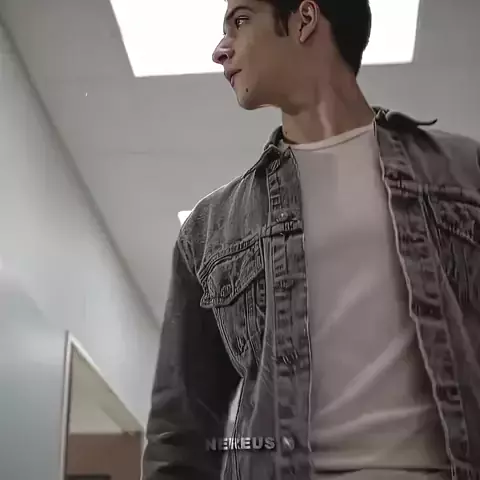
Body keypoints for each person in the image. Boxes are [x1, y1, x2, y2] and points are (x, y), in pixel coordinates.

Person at [142, 0, 480, 478]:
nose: (220, 50)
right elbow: (180, 435)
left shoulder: (465, 174)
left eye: (240, 21)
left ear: (304, 19)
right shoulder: (209, 229)